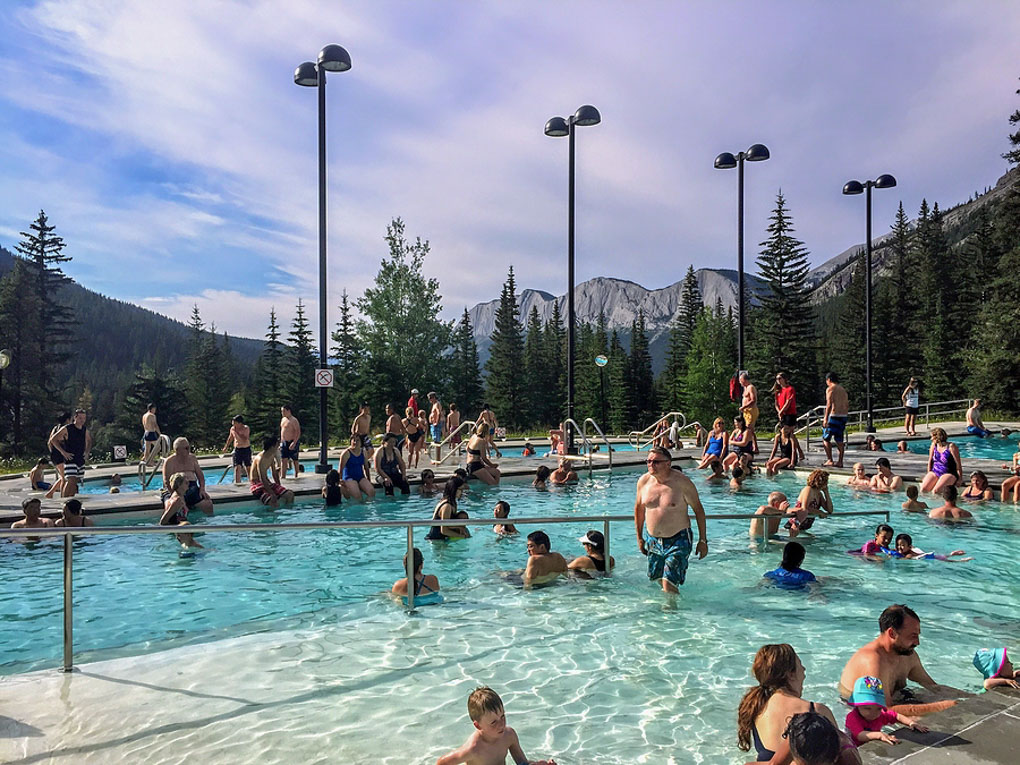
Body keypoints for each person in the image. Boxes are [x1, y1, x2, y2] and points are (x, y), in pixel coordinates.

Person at [737, 644, 859, 765]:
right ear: (790, 674)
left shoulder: (756, 707)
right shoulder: (816, 711)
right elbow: (837, 756)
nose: (804, 669)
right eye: (800, 664)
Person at [838, 604, 958, 714]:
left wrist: (970, 698)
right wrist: (939, 707)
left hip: (894, 701)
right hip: (863, 713)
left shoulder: (907, 655)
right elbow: (883, 710)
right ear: (892, 633)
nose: (917, 642)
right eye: (913, 636)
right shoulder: (873, 661)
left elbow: (934, 687)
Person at [634, 446, 708, 593]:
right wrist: (639, 538)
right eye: (648, 461)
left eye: (656, 462)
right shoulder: (643, 482)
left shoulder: (682, 483)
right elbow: (639, 509)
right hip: (653, 540)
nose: (651, 465)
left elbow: (698, 510)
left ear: (668, 463)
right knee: (657, 579)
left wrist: (703, 540)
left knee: (668, 583)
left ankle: (672, 613)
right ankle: (670, 606)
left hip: (678, 538)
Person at [435, 686, 557, 765]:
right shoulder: (474, 749)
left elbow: (521, 763)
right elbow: (442, 762)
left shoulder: (509, 735)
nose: (501, 724)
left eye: (503, 716)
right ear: (478, 726)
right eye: (493, 722)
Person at [844, 675, 927, 748]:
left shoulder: (880, 715)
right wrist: (879, 735)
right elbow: (860, 735)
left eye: (878, 708)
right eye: (867, 708)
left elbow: (896, 716)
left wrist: (911, 723)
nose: (873, 713)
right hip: (852, 747)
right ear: (857, 705)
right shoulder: (852, 717)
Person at [161, 437, 214, 515]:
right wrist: (177, 496)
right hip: (174, 489)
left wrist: (202, 489)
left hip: (191, 488)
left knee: (208, 503)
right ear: (177, 449)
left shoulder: (192, 458)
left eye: (189, 447)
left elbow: (200, 476)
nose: (189, 450)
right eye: (186, 448)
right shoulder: (169, 462)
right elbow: (167, 482)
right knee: (170, 506)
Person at [47, 408, 92, 498]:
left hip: (79, 458)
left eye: (84, 418)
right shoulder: (67, 428)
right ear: (75, 418)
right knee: (70, 479)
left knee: (75, 481)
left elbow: (89, 440)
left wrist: (87, 452)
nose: (82, 420)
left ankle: (70, 498)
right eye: (80, 418)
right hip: (70, 458)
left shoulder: (84, 430)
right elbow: (53, 439)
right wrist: (63, 452)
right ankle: (64, 499)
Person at [160, 472, 203, 549]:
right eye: (186, 483)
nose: (188, 484)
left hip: (182, 530)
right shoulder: (177, 500)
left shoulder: (181, 497)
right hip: (180, 532)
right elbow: (163, 521)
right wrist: (176, 530)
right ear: (179, 485)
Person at [249, 435, 295, 508]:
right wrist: (272, 493)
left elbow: (274, 473)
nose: (278, 446)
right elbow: (262, 479)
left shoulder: (271, 455)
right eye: (277, 444)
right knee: (272, 501)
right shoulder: (260, 459)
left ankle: (287, 512)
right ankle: (271, 516)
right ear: (272, 446)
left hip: (267, 483)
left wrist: (279, 486)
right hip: (257, 484)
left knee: (290, 494)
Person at [786, 470, 833, 538]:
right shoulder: (808, 489)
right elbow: (805, 508)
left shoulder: (819, 494)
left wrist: (826, 493)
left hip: (805, 525)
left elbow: (830, 510)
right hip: (796, 523)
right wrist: (819, 512)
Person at [426, 476, 469, 541]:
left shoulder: (452, 503)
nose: (462, 492)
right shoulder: (447, 506)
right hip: (437, 540)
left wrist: (460, 527)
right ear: (454, 489)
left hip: (444, 538)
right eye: (460, 489)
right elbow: (444, 530)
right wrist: (462, 536)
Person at [918, 428, 961, 494]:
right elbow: (930, 461)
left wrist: (960, 478)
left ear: (937, 437)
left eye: (932, 437)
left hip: (948, 472)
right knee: (923, 489)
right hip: (935, 471)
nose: (931, 439)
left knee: (936, 491)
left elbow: (958, 464)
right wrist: (928, 474)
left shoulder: (951, 447)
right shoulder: (934, 445)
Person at [821, 372, 849, 468]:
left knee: (826, 438)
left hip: (833, 416)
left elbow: (829, 403)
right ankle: (840, 461)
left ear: (829, 380)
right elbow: (846, 404)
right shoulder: (842, 389)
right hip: (843, 416)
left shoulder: (830, 389)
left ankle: (830, 460)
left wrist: (825, 418)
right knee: (839, 440)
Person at [339, 434, 375, 500]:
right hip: (348, 478)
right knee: (358, 497)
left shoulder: (363, 452)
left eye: (357, 440)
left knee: (371, 492)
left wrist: (369, 480)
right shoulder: (346, 453)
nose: (355, 442)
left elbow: (366, 468)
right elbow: (340, 470)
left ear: (361, 443)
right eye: (354, 440)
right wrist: (340, 481)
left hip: (360, 477)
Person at [44, 411, 71, 498]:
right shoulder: (65, 429)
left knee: (63, 476)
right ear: (67, 420)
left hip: (55, 455)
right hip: (61, 456)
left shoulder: (55, 428)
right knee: (64, 478)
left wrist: (52, 452)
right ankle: (62, 496)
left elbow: (49, 442)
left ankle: (51, 493)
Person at [891, 533, 969, 562]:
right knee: (945, 556)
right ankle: (952, 554)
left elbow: (902, 559)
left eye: (902, 545)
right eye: (898, 544)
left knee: (949, 561)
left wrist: (892, 556)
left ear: (909, 547)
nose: (899, 547)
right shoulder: (904, 550)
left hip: (935, 558)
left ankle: (961, 560)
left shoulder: (909, 555)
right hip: (932, 555)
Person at [222, 415, 252, 484]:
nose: (234, 425)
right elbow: (230, 438)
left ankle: (251, 481)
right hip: (237, 449)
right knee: (237, 466)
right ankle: (238, 482)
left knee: (248, 466)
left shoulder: (246, 428)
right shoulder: (232, 429)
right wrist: (226, 447)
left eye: (235, 423)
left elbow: (245, 438)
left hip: (246, 448)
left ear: (240, 423)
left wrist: (238, 432)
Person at [279, 404, 301, 480]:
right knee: (283, 459)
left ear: (289, 411)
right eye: (282, 411)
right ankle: (283, 476)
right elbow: (282, 431)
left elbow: (298, 432)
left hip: (292, 441)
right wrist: (281, 442)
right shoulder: (283, 419)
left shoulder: (293, 420)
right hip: (284, 442)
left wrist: (294, 442)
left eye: (284, 411)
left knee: (295, 459)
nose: (283, 413)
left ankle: (296, 474)